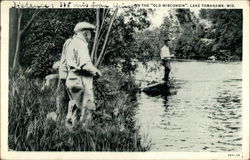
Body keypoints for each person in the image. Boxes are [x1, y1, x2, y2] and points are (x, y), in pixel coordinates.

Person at [64, 22, 102, 131]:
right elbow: (85, 65)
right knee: (87, 108)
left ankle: (71, 131)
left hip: (71, 79)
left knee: (74, 106)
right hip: (81, 81)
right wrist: (97, 72)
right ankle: (85, 134)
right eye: (90, 34)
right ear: (86, 33)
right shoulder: (81, 44)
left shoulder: (71, 43)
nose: (90, 37)